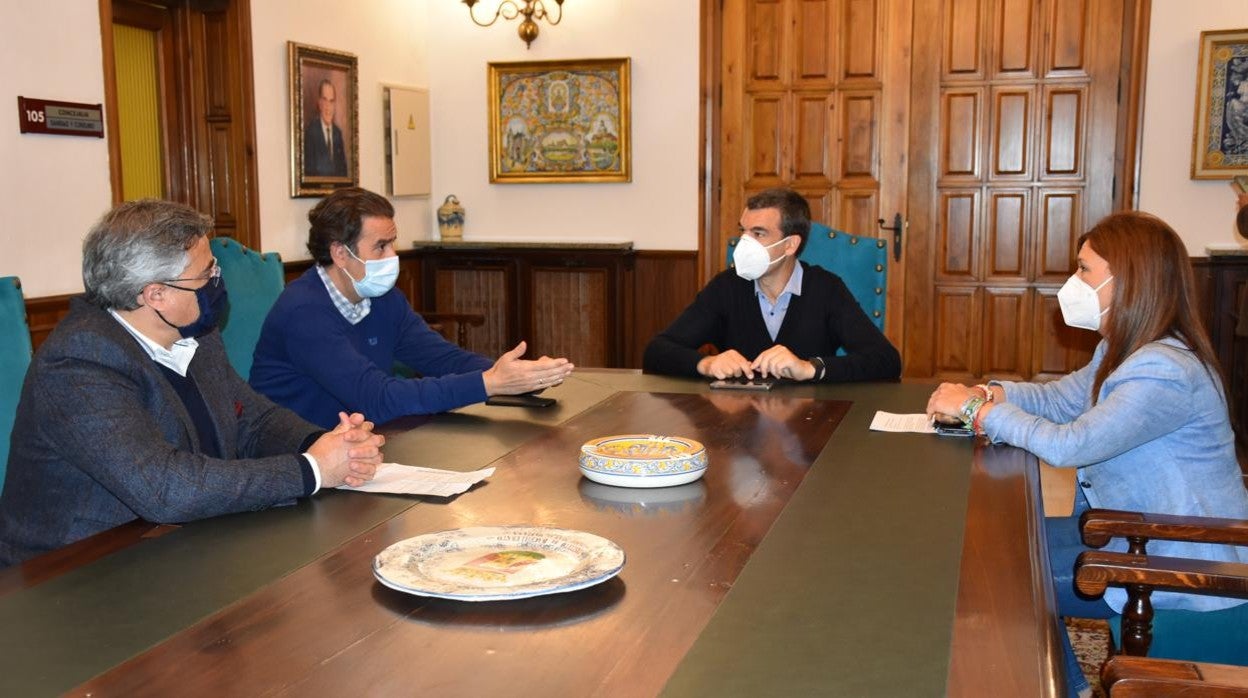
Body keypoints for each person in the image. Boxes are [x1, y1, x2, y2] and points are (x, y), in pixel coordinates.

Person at [925, 211, 1248, 694]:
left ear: (1127, 279)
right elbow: (1060, 399)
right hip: (1129, 535)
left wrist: (976, 410)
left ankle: (1052, 687)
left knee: (998, 585)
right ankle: (1070, 685)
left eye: (1084, 269)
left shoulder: (1162, 369)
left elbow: (1070, 442)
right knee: (987, 558)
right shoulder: (1129, 347)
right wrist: (991, 391)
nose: (1073, 281)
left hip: (1180, 563)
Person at [0, 200, 384, 567]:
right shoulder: (79, 362)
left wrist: (326, 445)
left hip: (180, 546)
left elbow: (250, 418)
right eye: (206, 275)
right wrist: (311, 469)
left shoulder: (194, 333)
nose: (218, 281)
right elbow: (165, 489)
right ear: (156, 295)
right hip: (76, 573)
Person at [249, 187, 574, 429]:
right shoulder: (303, 312)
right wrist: (490, 383)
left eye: (393, 242)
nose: (393, 256)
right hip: (297, 461)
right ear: (340, 254)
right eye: (380, 246)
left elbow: (442, 359)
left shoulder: (382, 297)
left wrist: (519, 376)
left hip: (356, 448)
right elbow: (375, 398)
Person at [643, 188, 900, 382]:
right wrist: (706, 364)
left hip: (810, 430)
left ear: (790, 245)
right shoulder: (727, 287)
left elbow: (886, 361)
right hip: (738, 431)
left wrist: (809, 368)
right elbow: (657, 351)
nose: (745, 242)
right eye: (743, 231)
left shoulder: (826, 289)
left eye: (758, 234)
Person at [303, 78, 348, 177]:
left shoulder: (338, 133)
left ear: (334, 105)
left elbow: (344, 173)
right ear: (319, 103)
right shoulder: (311, 133)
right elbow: (308, 173)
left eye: (331, 101)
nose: (328, 107)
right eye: (325, 100)